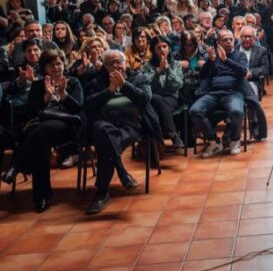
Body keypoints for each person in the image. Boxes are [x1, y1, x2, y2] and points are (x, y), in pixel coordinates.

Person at [1, 49, 83, 212]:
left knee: (41, 132)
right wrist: (46, 97)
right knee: (41, 145)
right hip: (40, 127)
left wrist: (63, 94)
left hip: (65, 126)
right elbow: (30, 112)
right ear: (45, 68)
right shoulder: (38, 85)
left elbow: (78, 108)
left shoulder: (72, 82)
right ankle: (41, 197)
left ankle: (17, 165)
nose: (56, 68)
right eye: (51, 65)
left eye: (59, 64)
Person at [84, 49, 161, 215]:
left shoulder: (139, 77)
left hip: (129, 122)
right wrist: (110, 90)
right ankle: (121, 172)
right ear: (104, 67)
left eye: (120, 61)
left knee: (105, 141)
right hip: (104, 120)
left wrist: (124, 85)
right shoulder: (97, 81)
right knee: (104, 132)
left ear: (126, 62)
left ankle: (102, 193)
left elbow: (144, 99)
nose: (117, 65)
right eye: (112, 63)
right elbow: (89, 104)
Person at [189, 29, 249, 158]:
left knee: (237, 112)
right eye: (225, 40)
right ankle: (214, 142)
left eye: (230, 39)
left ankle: (234, 141)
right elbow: (203, 75)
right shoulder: (212, 56)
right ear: (218, 43)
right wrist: (210, 61)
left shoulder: (240, 55)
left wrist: (226, 60)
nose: (228, 42)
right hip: (213, 93)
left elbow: (244, 72)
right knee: (194, 111)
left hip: (233, 92)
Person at [143, 35, 185, 151]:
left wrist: (167, 70)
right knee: (156, 99)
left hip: (171, 98)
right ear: (153, 50)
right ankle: (173, 134)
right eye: (158, 48)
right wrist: (158, 73)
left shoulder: (176, 64)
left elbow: (177, 85)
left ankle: (155, 141)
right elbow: (147, 85)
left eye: (165, 46)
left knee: (157, 105)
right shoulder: (148, 66)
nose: (162, 50)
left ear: (169, 48)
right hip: (153, 97)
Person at [239, 26, 269, 140]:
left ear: (255, 38)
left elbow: (265, 69)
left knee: (250, 92)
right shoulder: (234, 50)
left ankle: (254, 120)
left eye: (250, 37)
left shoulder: (261, 50)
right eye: (245, 37)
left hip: (253, 82)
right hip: (236, 82)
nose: (247, 39)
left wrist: (251, 73)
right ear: (240, 37)